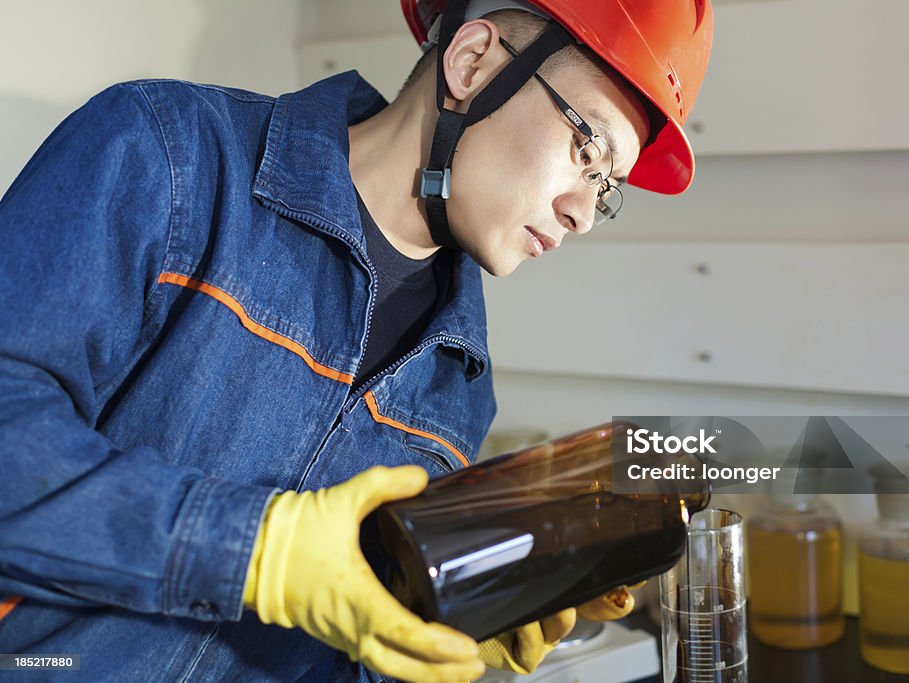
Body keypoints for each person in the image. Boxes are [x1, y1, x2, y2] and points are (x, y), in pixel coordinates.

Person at [0, 0, 712, 680]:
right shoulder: (168, 157)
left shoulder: (457, 388)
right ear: (472, 65)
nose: (584, 212)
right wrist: (259, 554)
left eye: (607, 185)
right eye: (586, 147)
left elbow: (340, 636)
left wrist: (444, 621)